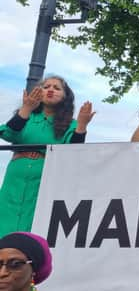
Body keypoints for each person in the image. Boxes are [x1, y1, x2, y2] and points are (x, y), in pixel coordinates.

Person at [0, 76, 95, 236]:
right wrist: (26, 108)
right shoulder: (26, 116)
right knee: (6, 214)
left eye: (56, 88)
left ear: (65, 96)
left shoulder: (70, 124)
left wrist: (81, 126)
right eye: (46, 86)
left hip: (45, 177)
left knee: (36, 218)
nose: (50, 90)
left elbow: (73, 151)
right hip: (16, 175)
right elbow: (8, 134)